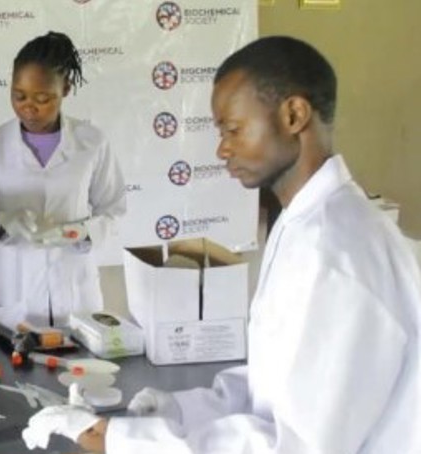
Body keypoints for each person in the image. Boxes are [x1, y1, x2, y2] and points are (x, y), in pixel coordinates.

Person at [22, 36, 421, 454]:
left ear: (294, 114)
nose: (222, 148)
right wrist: (176, 411)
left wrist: (122, 441)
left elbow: (295, 446)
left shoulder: (337, 251)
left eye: (233, 129)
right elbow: (273, 383)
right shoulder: (306, 224)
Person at [0, 31, 126, 332]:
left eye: (43, 98)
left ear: (66, 89)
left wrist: (79, 232)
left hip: (75, 294)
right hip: (11, 297)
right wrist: (4, 223)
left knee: (80, 372)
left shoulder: (92, 143)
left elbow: (113, 210)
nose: (28, 108)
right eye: (18, 95)